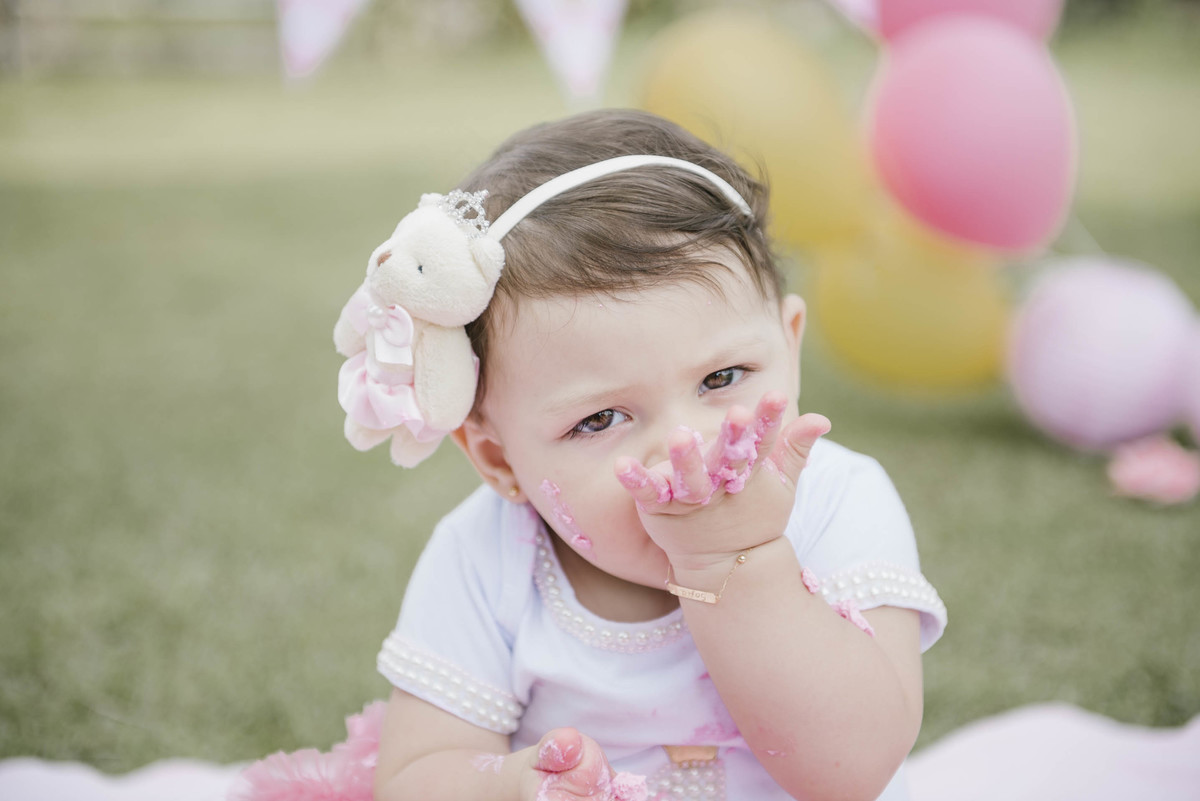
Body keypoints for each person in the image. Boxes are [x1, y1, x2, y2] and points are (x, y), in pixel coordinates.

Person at [346, 109, 947, 801]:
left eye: (721, 380)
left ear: (789, 345)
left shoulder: (838, 499)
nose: (685, 445)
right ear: (499, 459)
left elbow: (853, 769)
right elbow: (419, 773)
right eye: (599, 418)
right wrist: (515, 785)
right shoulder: (487, 555)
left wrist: (731, 561)